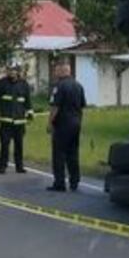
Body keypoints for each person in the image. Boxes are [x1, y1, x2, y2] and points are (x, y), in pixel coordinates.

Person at [47, 61, 86, 192]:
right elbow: (81, 106)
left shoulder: (59, 86)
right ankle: (74, 181)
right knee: (73, 153)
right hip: (76, 123)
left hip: (62, 124)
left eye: (57, 70)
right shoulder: (78, 86)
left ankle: (60, 183)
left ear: (62, 71)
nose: (55, 72)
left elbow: (55, 107)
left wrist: (50, 122)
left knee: (59, 154)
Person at [0, 63, 33, 174]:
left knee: (19, 145)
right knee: (5, 145)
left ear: (18, 71)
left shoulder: (24, 84)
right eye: (10, 70)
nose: (11, 72)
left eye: (14, 70)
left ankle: (19, 167)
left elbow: (28, 100)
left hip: (19, 120)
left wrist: (30, 113)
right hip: (6, 120)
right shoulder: (2, 83)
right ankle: (2, 166)